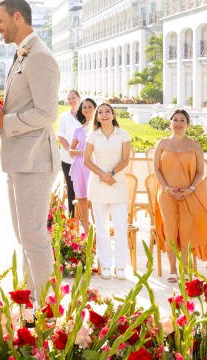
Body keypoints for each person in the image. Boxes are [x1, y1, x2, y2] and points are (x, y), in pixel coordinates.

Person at [0, 0, 60, 303]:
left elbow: (46, 114)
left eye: (0, 20)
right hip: (19, 161)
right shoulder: (22, 54)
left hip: (35, 161)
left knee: (34, 239)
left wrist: (6, 120)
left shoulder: (40, 56)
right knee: (26, 239)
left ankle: (49, 311)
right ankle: (32, 306)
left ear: (17, 17)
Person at [153, 109, 207, 283]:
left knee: (187, 232)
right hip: (166, 194)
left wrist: (191, 188)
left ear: (188, 124)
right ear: (170, 123)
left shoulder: (194, 144)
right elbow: (156, 170)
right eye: (175, 119)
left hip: (190, 194)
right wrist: (166, 188)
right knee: (171, 231)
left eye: (182, 120)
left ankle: (186, 269)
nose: (178, 123)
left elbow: (200, 171)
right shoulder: (162, 143)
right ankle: (173, 270)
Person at [83, 102, 131, 281]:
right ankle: (105, 265)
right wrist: (103, 175)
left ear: (113, 115)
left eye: (107, 112)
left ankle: (120, 266)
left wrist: (111, 174)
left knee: (120, 226)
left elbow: (125, 160)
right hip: (97, 184)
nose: (104, 115)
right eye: (100, 112)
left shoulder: (123, 134)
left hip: (118, 184)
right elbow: (86, 160)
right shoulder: (92, 135)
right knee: (101, 227)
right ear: (96, 117)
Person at [68, 97, 97, 233]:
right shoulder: (78, 130)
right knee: (82, 199)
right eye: (84, 107)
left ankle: (98, 231)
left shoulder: (99, 128)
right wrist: (83, 152)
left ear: (95, 109)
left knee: (95, 199)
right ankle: (86, 231)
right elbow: (71, 150)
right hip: (79, 166)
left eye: (90, 106)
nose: (87, 109)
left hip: (94, 166)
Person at [57, 90, 81, 217]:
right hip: (67, 158)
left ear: (79, 98)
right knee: (71, 188)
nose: (71, 100)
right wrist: (71, 150)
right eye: (69, 98)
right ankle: (72, 217)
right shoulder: (64, 117)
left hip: (84, 158)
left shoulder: (85, 114)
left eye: (74, 97)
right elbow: (60, 136)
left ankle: (83, 216)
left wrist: (80, 152)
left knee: (83, 188)